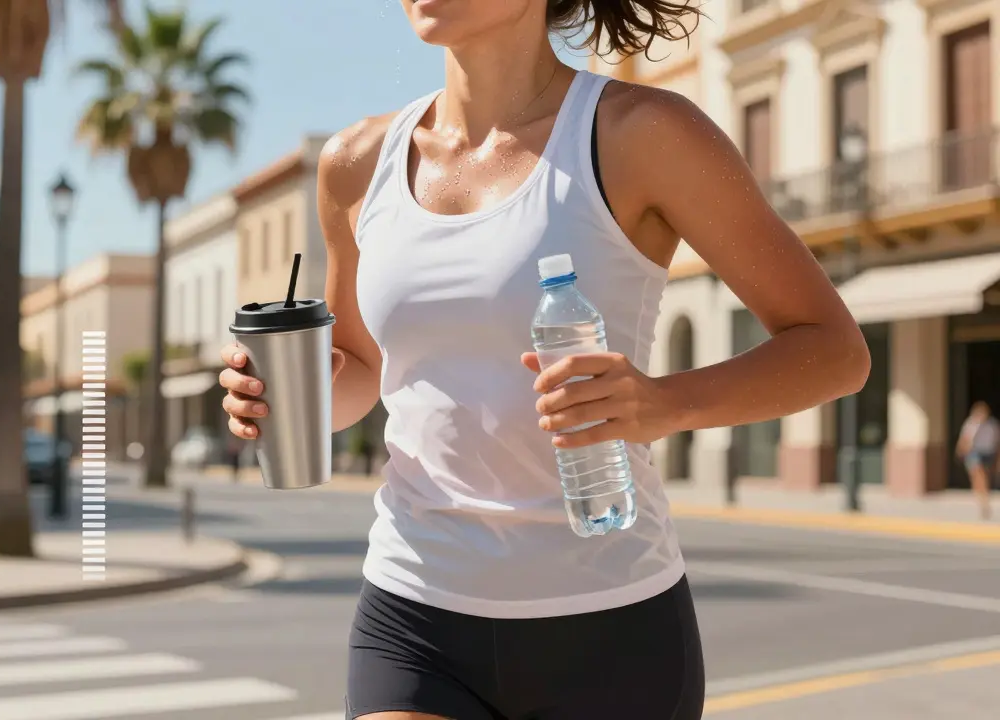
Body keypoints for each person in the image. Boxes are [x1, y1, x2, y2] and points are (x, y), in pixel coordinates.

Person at [219, 1, 871, 717]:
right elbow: (361, 370)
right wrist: (287, 398)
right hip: (415, 609)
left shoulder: (644, 134)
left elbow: (833, 349)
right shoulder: (354, 164)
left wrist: (662, 404)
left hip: (610, 624)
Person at [956, 401, 998, 521]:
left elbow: (996, 442)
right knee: (978, 475)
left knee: (984, 477)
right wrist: (960, 451)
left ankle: (982, 496)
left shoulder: (992, 425)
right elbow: (965, 439)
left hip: (987, 453)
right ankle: (983, 499)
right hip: (974, 452)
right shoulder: (971, 424)